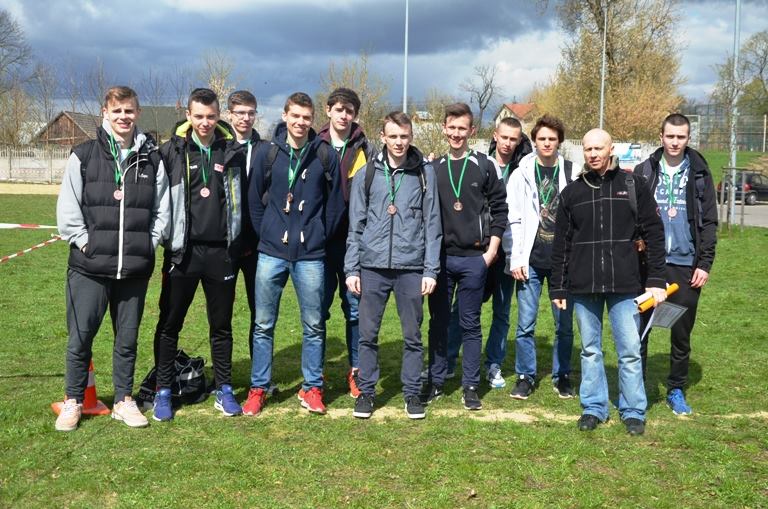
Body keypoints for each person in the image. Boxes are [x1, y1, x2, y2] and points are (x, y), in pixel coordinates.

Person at [55, 85, 170, 431]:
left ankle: (123, 400)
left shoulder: (152, 159)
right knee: (80, 338)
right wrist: (84, 243)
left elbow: (162, 210)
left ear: (138, 114)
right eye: (117, 111)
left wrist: (148, 243)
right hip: (89, 268)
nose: (123, 117)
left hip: (134, 269)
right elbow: (68, 208)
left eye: (129, 111)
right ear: (105, 112)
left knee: (127, 340)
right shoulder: (84, 155)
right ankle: (74, 400)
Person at [550, 128, 667, 435]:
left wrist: (656, 279)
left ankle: (633, 410)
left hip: (625, 284)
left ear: (611, 149)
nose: (593, 154)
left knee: (629, 350)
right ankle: (593, 407)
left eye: (598, 148)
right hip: (584, 286)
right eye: (588, 149)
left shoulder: (633, 185)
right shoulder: (571, 193)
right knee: (590, 350)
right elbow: (561, 244)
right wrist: (558, 286)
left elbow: (655, 233)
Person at [243, 92, 345, 416]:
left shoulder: (324, 154)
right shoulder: (267, 152)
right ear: (285, 115)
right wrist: (268, 232)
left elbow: (335, 205)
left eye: (306, 117)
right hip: (271, 252)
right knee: (263, 324)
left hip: (311, 255)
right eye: (295, 116)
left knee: (314, 324)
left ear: (313, 120)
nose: (300, 122)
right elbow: (253, 202)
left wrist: (318, 235)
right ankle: (259, 387)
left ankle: (312, 387)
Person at [152, 88, 246, 421]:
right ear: (188, 116)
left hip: (220, 252)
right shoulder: (171, 151)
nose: (205, 123)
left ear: (219, 116)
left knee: (221, 326)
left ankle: (224, 389)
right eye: (199, 116)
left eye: (211, 116)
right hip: (183, 253)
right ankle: (163, 390)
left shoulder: (231, 151)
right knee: (169, 323)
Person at [345, 111, 442, 419]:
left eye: (404, 136)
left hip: (410, 267)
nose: (399, 142)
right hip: (372, 266)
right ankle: (367, 392)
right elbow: (356, 224)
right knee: (367, 335)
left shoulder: (424, 174)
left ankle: (412, 393)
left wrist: (430, 270)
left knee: (412, 336)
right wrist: (352, 268)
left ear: (411, 137)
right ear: (383, 137)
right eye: (393, 136)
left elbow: (432, 224)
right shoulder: (367, 173)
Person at [423, 102, 508, 411]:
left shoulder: (484, 165)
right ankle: (435, 380)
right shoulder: (433, 168)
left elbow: (500, 210)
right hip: (442, 259)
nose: (457, 134)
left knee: (470, 324)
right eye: (452, 128)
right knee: (438, 322)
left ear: (472, 131)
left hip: (475, 258)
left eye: (462, 128)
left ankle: (470, 385)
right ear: (444, 129)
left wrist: (491, 251)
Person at [634, 113, 718, 416]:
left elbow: (710, 221)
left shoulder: (699, 173)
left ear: (688, 139)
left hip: (685, 265)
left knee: (681, 334)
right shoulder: (645, 171)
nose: (674, 142)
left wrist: (704, 263)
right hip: (648, 265)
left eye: (680, 137)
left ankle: (676, 389)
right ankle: (637, 388)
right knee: (639, 330)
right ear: (661, 137)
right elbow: (633, 215)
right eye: (670, 136)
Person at [443, 117, 530, 388]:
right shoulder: (481, 163)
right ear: (495, 136)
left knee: (502, 311)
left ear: (519, 140)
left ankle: (493, 364)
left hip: (507, 250)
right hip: (478, 249)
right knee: (462, 309)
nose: (508, 143)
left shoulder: (524, 168)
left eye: (513, 139)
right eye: (504, 137)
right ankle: (448, 361)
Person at [507, 115, 576, 401]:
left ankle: (563, 375)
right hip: (530, 261)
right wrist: (515, 258)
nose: (547, 143)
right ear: (534, 141)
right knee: (525, 324)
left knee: (564, 325)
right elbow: (513, 218)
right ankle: (525, 376)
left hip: (563, 262)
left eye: (552, 139)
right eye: (542, 138)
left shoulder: (572, 171)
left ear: (559, 142)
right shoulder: (521, 172)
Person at [317, 87, 377, 398]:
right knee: (318, 311)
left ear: (355, 115)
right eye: (339, 109)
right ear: (328, 110)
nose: (343, 115)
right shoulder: (315, 144)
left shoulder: (366, 148)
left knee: (354, 310)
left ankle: (356, 371)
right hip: (320, 245)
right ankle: (315, 373)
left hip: (355, 244)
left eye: (349, 110)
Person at [226, 90, 262, 360]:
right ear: (229, 115)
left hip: (257, 246)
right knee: (222, 314)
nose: (245, 118)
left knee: (260, 313)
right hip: (224, 245)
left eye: (251, 113)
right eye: (240, 113)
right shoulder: (220, 148)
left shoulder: (266, 150)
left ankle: (258, 374)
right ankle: (224, 376)